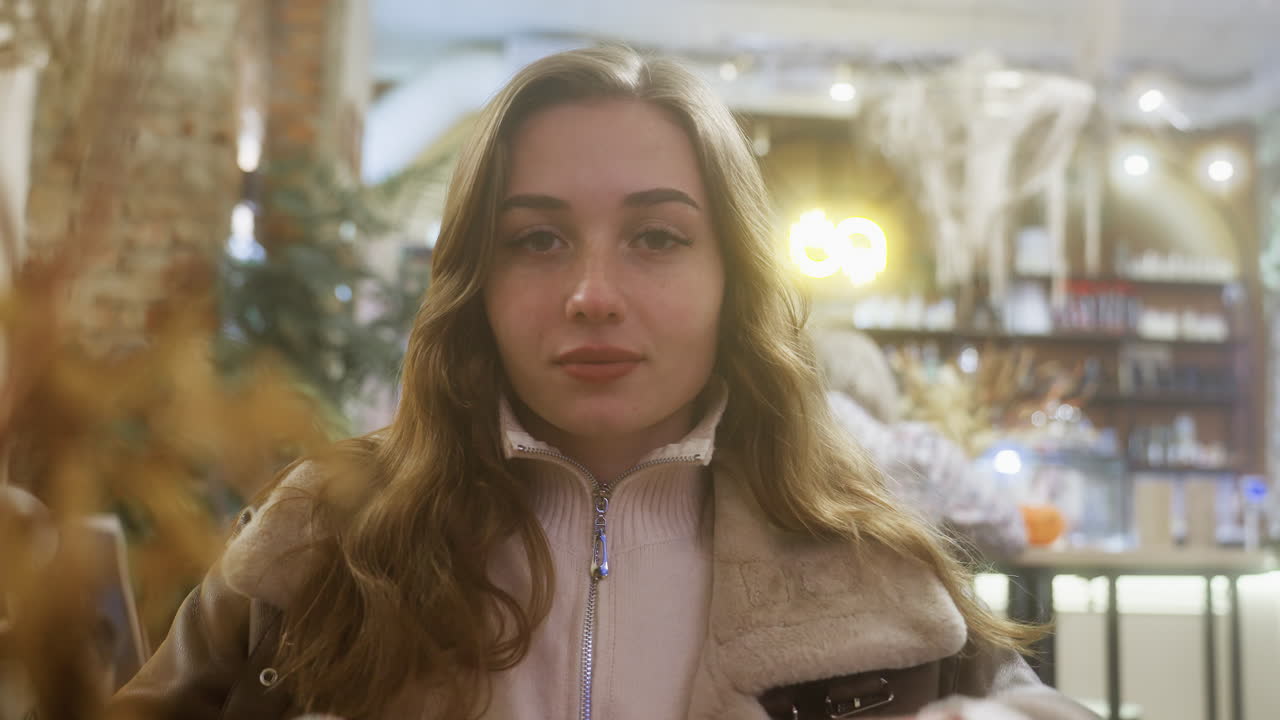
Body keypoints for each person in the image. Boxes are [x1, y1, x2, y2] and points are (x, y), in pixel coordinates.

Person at [111, 46, 1097, 720]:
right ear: (476, 279)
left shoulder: (862, 555)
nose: (591, 295)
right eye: (537, 239)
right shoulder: (325, 531)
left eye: (656, 238)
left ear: (733, 277)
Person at [812, 327, 1029, 562]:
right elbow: (1011, 534)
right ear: (879, 381)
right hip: (902, 584)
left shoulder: (793, 452)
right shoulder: (921, 450)